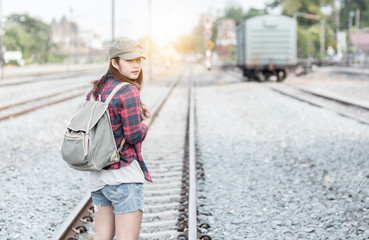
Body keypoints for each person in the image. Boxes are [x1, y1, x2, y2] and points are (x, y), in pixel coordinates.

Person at [87, 37, 153, 240]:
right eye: (129, 60)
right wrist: (146, 122)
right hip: (123, 178)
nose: (136, 65)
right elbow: (134, 135)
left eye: (139, 60)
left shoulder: (96, 90)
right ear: (114, 62)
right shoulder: (128, 90)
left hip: (98, 179)